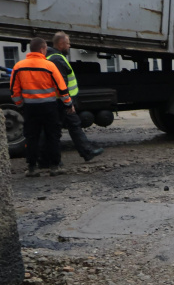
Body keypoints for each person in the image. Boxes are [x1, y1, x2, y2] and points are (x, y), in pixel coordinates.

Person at [10, 37, 71, 177]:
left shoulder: (19, 66)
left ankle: (32, 168)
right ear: (43, 49)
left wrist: (20, 105)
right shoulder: (49, 66)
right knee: (53, 136)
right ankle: (55, 167)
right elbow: (61, 87)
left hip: (30, 108)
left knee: (32, 137)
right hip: (49, 107)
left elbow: (14, 90)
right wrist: (68, 103)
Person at [46, 31, 104, 162]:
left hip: (59, 100)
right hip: (61, 101)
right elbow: (62, 84)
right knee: (59, 129)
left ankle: (87, 152)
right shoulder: (57, 59)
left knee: (72, 125)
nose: (69, 46)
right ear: (61, 44)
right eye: (68, 43)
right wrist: (67, 102)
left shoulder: (54, 57)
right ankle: (48, 159)